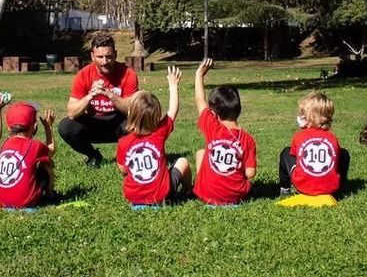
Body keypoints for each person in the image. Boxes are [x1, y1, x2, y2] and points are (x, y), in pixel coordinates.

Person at [59, 32, 139, 168]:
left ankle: (127, 157)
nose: (104, 62)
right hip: (93, 122)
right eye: (100, 57)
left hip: (119, 123)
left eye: (109, 56)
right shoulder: (83, 75)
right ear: (92, 56)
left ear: (115, 54)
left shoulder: (128, 74)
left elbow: (132, 109)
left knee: (138, 122)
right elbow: (72, 112)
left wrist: (110, 94)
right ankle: (93, 156)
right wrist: (90, 95)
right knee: (65, 127)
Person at [116, 66, 191, 205]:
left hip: (134, 198)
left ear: (129, 114)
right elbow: (173, 110)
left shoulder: (123, 142)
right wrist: (173, 85)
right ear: (156, 117)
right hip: (162, 195)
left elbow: (123, 170)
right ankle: (187, 191)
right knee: (183, 162)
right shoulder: (159, 133)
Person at [192, 59, 257, 205]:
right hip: (235, 196)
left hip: (207, 195)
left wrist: (199, 75)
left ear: (214, 114)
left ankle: (205, 187)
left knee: (201, 153)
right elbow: (250, 173)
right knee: (202, 153)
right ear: (239, 110)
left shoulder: (212, 127)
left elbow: (200, 101)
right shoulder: (248, 139)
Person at [279, 92, 349, 197]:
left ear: (311, 116)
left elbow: (295, 155)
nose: (300, 117)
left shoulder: (299, 136)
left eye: (303, 114)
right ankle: (340, 187)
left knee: (286, 152)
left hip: (303, 186)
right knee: (343, 153)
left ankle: (285, 189)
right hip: (330, 188)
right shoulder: (332, 138)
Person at [0, 103, 56, 209]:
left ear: (9, 128)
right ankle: (50, 195)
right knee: (47, 162)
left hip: (1, 200)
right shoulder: (35, 146)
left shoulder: (5, 144)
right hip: (27, 201)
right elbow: (51, 149)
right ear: (35, 126)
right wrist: (48, 127)